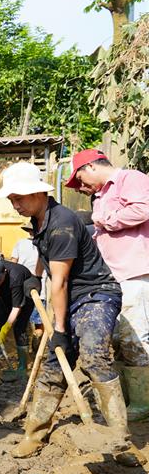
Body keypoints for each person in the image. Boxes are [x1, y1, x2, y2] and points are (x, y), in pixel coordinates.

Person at [0, 162, 128, 459]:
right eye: (12, 199)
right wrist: (36, 274)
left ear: (39, 193)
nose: (15, 204)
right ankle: (34, 433)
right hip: (70, 295)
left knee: (94, 356)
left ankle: (120, 440)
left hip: (96, 295)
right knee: (53, 366)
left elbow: (62, 281)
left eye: (19, 198)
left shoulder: (62, 224)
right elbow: (48, 259)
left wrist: (60, 330)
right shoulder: (40, 220)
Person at [66, 149, 149, 420]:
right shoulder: (100, 196)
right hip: (113, 276)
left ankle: (143, 403)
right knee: (118, 337)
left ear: (90, 167)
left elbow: (144, 208)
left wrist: (102, 220)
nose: (81, 187)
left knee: (135, 335)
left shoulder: (130, 178)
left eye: (80, 179)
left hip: (134, 271)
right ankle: (129, 396)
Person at [0, 258, 38, 381]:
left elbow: (16, 308)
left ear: (5, 272)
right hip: (6, 293)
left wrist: (6, 328)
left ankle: (22, 366)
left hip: (24, 292)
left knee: (19, 327)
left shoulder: (15, 279)